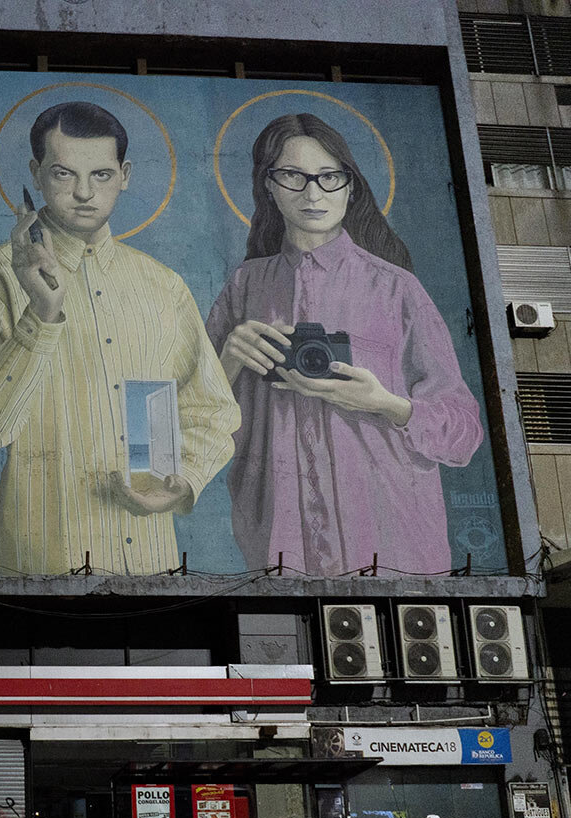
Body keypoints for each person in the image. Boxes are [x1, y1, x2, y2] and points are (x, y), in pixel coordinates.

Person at [0, 101, 238, 575]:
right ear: (37, 174)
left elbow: (211, 408)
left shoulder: (163, 286)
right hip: (46, 563)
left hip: (152, 563)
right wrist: (41, 313)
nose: (83, 193)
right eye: (63, 174)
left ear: (126, 175)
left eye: (100, 175)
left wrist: (184, 480)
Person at [205, 113, 483, 577]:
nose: (312, 193)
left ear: (350, 187)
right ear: (269, 186)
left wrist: (387, 404)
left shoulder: (398, 290)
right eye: (292, 176)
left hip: (392, 542)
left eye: (329, 177)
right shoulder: (245, 286)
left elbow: (464, 432)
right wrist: (227, 361)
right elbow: (195, 418)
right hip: (280, 545)